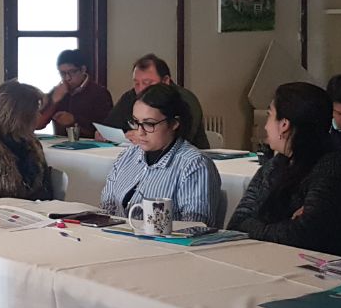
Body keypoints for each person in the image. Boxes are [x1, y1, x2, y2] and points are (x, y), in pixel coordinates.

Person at [227, 82, 341, 256]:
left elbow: (305, 236)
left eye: (269, 116)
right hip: (265, 257)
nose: (266, 126)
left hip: (312, 266)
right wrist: (286, 224)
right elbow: (237, 224)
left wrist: (259, 226)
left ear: (284, 124)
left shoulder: (337, 167)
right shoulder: (275, 165)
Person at [98, 85, 222, 226]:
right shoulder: (128, 155)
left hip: (163, 239)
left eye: (149, 124)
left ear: (174, 123)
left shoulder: (194, 165)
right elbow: (106, 208)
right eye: (135, 122)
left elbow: (195, 226)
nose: (140, 132)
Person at [104, 53, 208, 149]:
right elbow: (110, 126)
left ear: (165, 81)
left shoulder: (184, 99)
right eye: (136, 83)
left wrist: (140, 135)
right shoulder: (131, 96)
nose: (141, 89)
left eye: (147, 83)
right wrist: (105, 134)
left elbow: (182, 138)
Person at [36, 49, 113, 138]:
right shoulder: (58, 91)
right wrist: (54, 102)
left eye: (72, 72)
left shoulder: (100, 93)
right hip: (60, 143)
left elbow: (106, 129)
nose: (67, 78)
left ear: (83, 69)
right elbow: (38, 124)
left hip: (90, 144)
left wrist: (74, 120)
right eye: (62, 73)